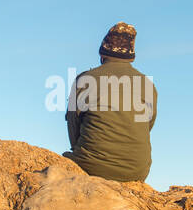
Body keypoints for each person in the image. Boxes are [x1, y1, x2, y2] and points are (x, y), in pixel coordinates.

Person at [64, 22, 157, 182]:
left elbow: (73, 126)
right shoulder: (147, 84)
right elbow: (147, 126)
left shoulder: (85, 79)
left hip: (92, 166)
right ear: (131, 55)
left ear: (103, 53)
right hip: (137, 172)